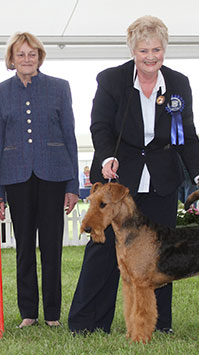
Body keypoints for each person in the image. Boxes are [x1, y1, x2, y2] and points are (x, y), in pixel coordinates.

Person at [68, 15, 199, 335]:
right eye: (143, 51)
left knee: (158, 253)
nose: (151, 57)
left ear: (165, 48)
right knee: (104, 248)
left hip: (162, 179)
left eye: (157, 50)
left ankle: (158, 325)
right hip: (118, 180)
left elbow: (187, 135)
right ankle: (88, 323)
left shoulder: (179, 83)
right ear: (132, 50)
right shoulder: (111, 79)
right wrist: (108, 156)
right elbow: (100, 126)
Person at [0, 32, 79, 328]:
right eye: (20, 54)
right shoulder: (1, 92)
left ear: (40, 57)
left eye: (32, 54)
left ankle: (54, 314)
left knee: (51, 247)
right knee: (23, 250)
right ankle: (28, 313)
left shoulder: (59, 88)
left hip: (53, 176)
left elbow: (69, 136)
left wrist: (72, 186)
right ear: (11, 59)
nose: (26, 59)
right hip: (16, 177)